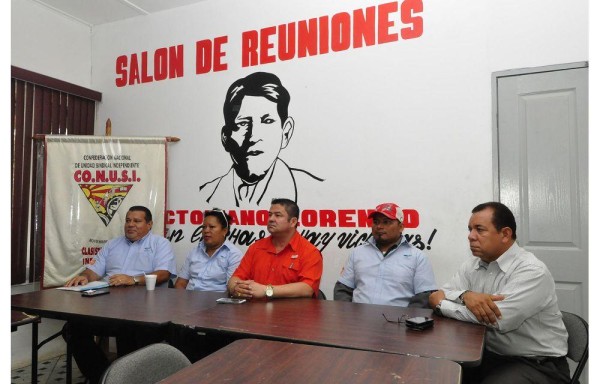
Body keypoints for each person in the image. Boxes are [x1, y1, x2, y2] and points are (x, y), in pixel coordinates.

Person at [428, 202, 570, 384]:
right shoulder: (473, 264)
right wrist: (466, 295)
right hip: (488, 355)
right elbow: (446, 290)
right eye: (470, 229)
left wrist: (442, 304)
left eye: (479, 230)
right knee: (438, 374)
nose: (471, 236)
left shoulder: (531, 271)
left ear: (505, 234)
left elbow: (496, 319)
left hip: (535, 363)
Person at [63, 206, 176, 384]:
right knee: (73, 328)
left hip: (144, 308)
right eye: (128, 220)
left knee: (129, 331)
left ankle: (126, 378)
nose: (131, 225)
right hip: (109, 305)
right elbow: (94, 271)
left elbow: (164, 274)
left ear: (149, 224)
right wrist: (84, 277)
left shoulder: (159, 243)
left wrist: (133, 279)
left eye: (137, 221)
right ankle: (102, 376)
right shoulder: (112, 244)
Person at [199, 72, 323, 208]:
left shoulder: (318, 189)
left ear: (285, 133)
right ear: (225, 137)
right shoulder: (205, 193)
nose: (253, 137)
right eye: (243, 123)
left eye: (267, 121)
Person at [333, 202, 437, 307]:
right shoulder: (357, 253)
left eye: (386, 222)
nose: (379, 226)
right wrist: (348, 317)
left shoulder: (418, 257)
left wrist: (405, 321)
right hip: (358, 320)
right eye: (375, 222)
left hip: (398, 321)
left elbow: (424, 298)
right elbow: (342, 290)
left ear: (401, 227)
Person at [227, 198, 323, 299]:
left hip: (292, 312)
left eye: (278, 215)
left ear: (293, 222)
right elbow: (235, 278)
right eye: (269, 215)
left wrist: (267, 290)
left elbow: (307, 288)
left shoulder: (309, 252)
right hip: (255, 311)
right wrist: (235, 288)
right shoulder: (256, 248)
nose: (271, 219)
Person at [174, 208, 243, 291]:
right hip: (190, 299)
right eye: (204, 227)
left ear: (224, 231)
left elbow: (232, 289)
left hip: (216, 301)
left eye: (212, 227)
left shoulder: (233, 254)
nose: (206, 230)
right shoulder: (194, 251)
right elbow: (180, 283)